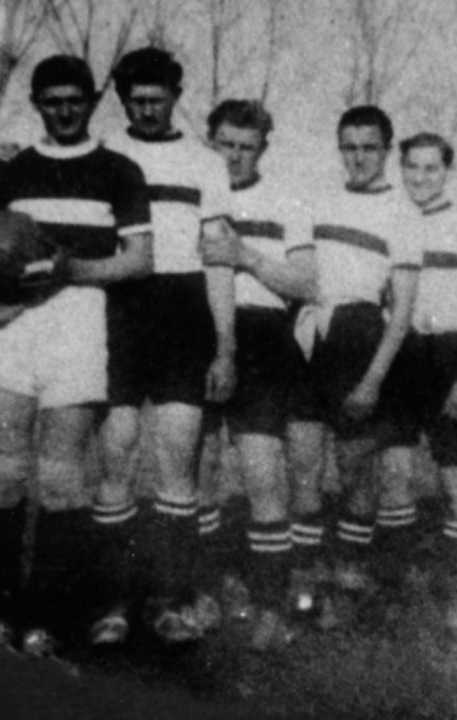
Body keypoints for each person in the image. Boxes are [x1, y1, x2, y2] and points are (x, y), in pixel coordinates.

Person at [0, 54, 152, 657]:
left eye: (75, 100)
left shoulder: (119, 170)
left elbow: (139, 261)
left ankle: (46, 619)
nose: (65, 110)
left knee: (61, 477)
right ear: (37, 104)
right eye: (53, 101)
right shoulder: (10, 168)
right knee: (4, 467)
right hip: (11, 326)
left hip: (77, 321)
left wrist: (72, 270)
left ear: (92, 102)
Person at [93, 47, 237, 644]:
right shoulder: (102, 152)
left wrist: (225, 346)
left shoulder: (205, 164)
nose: (147, 109)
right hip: (120, 310)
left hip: (183, 311)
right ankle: (113, 601)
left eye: (157, 98)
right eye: (136, 100)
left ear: (177, 97)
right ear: (123, 100)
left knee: (178, 455)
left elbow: (219, 260)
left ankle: (172, 599)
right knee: (118, 452)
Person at [290, 104, 420, 618]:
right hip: (309, 331)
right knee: (303, 463)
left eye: (369, 148)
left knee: (353, 469)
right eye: (349, 147)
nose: (358, 157)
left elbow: (402, 311)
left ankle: (348, 581)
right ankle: (303, 584)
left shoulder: (402, 212)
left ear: (386, 151)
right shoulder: (319, 199)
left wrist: (373, 379)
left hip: (360, 334)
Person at [201, 99, 319, 649]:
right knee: (197, 468)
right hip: (196, 328)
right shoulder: (194, 194)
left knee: (262, 472)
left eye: (247, 147)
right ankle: (201, 592)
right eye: (225, 144)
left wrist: (245, 255)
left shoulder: (285, 200)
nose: (234, 156)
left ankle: (272, 605)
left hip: (263, 337)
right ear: (210, 141)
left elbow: (307, 284)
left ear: (263, 149)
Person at [378, 132, 457, 627]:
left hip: (451, 353)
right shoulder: (391, 221)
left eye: (431, 168)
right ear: (401, 168)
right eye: (412, 167)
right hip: (403, 355)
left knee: (455, 478)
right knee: (395, 472)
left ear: (446, 172)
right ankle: (395, 588)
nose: (421, 177)